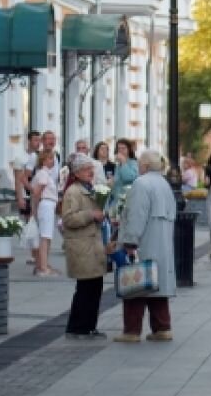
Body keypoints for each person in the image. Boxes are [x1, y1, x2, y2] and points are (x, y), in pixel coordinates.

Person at [114, 149, 177, 343]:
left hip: (145, 241)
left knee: (136, 284)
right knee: (157, 285)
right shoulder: (164, 183)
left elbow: (136, 215)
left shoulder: (141, 183)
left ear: (146, 166)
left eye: (140, 163)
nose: (138, 166)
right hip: (162, 241)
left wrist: (130, 241)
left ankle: (132, 330)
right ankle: (162, 327)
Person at [60, 153, 108, 339]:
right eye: (87, 169)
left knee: (95, 287)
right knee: (85, 288)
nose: (91, 171)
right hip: (82, 246)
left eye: (92, 168)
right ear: (77, 172)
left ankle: (89, 325)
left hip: (92, 245)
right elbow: (68, 219)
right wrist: (91, 215)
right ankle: (77, 326)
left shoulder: (90, 188)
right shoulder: (73, 191)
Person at [30, 148, 60, 277]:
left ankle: (43, 264)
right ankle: (43, 267)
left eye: (52, 158)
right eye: (49, 158)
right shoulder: (43, 173)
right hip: (46, 204)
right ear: (43, 160)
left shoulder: (46, 173)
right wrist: (34, 210)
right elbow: (37, 193)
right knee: (45, 237)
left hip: (48, 205)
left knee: (46, 237)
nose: (52, 160)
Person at [15, 130, 42, 217]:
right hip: (26, 194)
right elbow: (18, 179)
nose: (38, 143)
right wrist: (20, 198)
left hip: (38, 194)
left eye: (39, 140)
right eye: (35, 140)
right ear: (29, 141)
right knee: (29, 220)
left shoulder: (40, 156)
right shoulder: (20, 158)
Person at [108, 139, 138, 214]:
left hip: (128, 202)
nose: (121, 150)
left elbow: (128, 178)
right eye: (119, 148)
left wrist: (123, 162)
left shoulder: (133, 163)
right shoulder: (118, 165)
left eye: (123, 148)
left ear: (129, 150)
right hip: (117, 201)